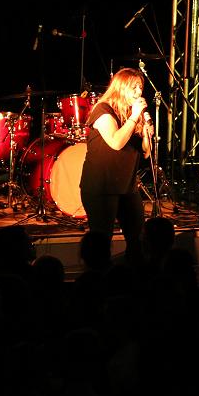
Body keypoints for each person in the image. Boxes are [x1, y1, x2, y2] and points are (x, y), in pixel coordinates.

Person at [78, 67, 152, 267]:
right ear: (120, 88)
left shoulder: (132, 114)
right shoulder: (103, 110)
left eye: (140, 87)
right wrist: (134, 117)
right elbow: (116, 142)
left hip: (127, 186)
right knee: (101, 242)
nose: (139, 92)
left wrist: (146, 133)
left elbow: (146, 153)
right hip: (102, 187)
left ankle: (135, 277)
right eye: (133, 87)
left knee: (138, 238)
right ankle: (97, 278)